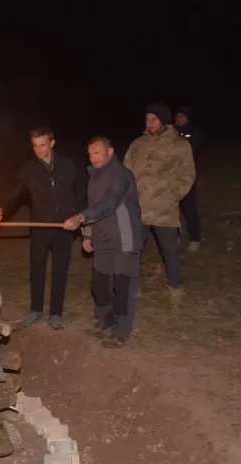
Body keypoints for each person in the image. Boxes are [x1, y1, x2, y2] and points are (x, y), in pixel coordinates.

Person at [0, 127, 87, 330]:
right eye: (35, 146)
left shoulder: (67, 165)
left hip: (64, 228)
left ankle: (56, 313)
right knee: (37, 270)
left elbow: (79, 191)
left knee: (60, 270)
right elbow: (14, 193)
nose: (39, 150)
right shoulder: (28, 169)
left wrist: (77, 216)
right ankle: (36, 310)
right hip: (40, 228)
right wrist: (1, 209)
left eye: (42, 145)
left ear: (52, 143)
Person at [63, 136, 143, 349]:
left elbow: (108, 203)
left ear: (110, 152)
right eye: (90, 154)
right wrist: (87, 234)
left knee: (123, 287)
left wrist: (80, 218)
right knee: (99, 285)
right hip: (102, 239)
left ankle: (122, 331)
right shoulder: (94, 177)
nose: (93, 157)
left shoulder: (121, 175)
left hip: (124, 239)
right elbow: (93, 206)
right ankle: (106, 320)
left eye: (97, 152)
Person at [124, 102, 195, 303]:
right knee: (133, 248)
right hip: (139, 207)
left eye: (154, 119)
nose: (150, 122)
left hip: (165, 209)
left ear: (163, 120)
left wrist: (174, 194)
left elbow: (187, 174)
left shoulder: (179, 144)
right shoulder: (137, 143)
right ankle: (132, 287)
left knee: (169, 250)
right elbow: (125, 170)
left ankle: (175, 288)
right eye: (147, 118)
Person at [174, 106, 204, 252]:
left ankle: (195, 238)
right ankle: (176, 235)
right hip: (171, 177)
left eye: (182, 116)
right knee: (172, 208)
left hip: (187, 177)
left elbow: (192, 150)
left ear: (188, 118)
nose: (179, 119)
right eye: (177, 116)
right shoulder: (172, 132)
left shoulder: (194, 133)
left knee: (189, 208)